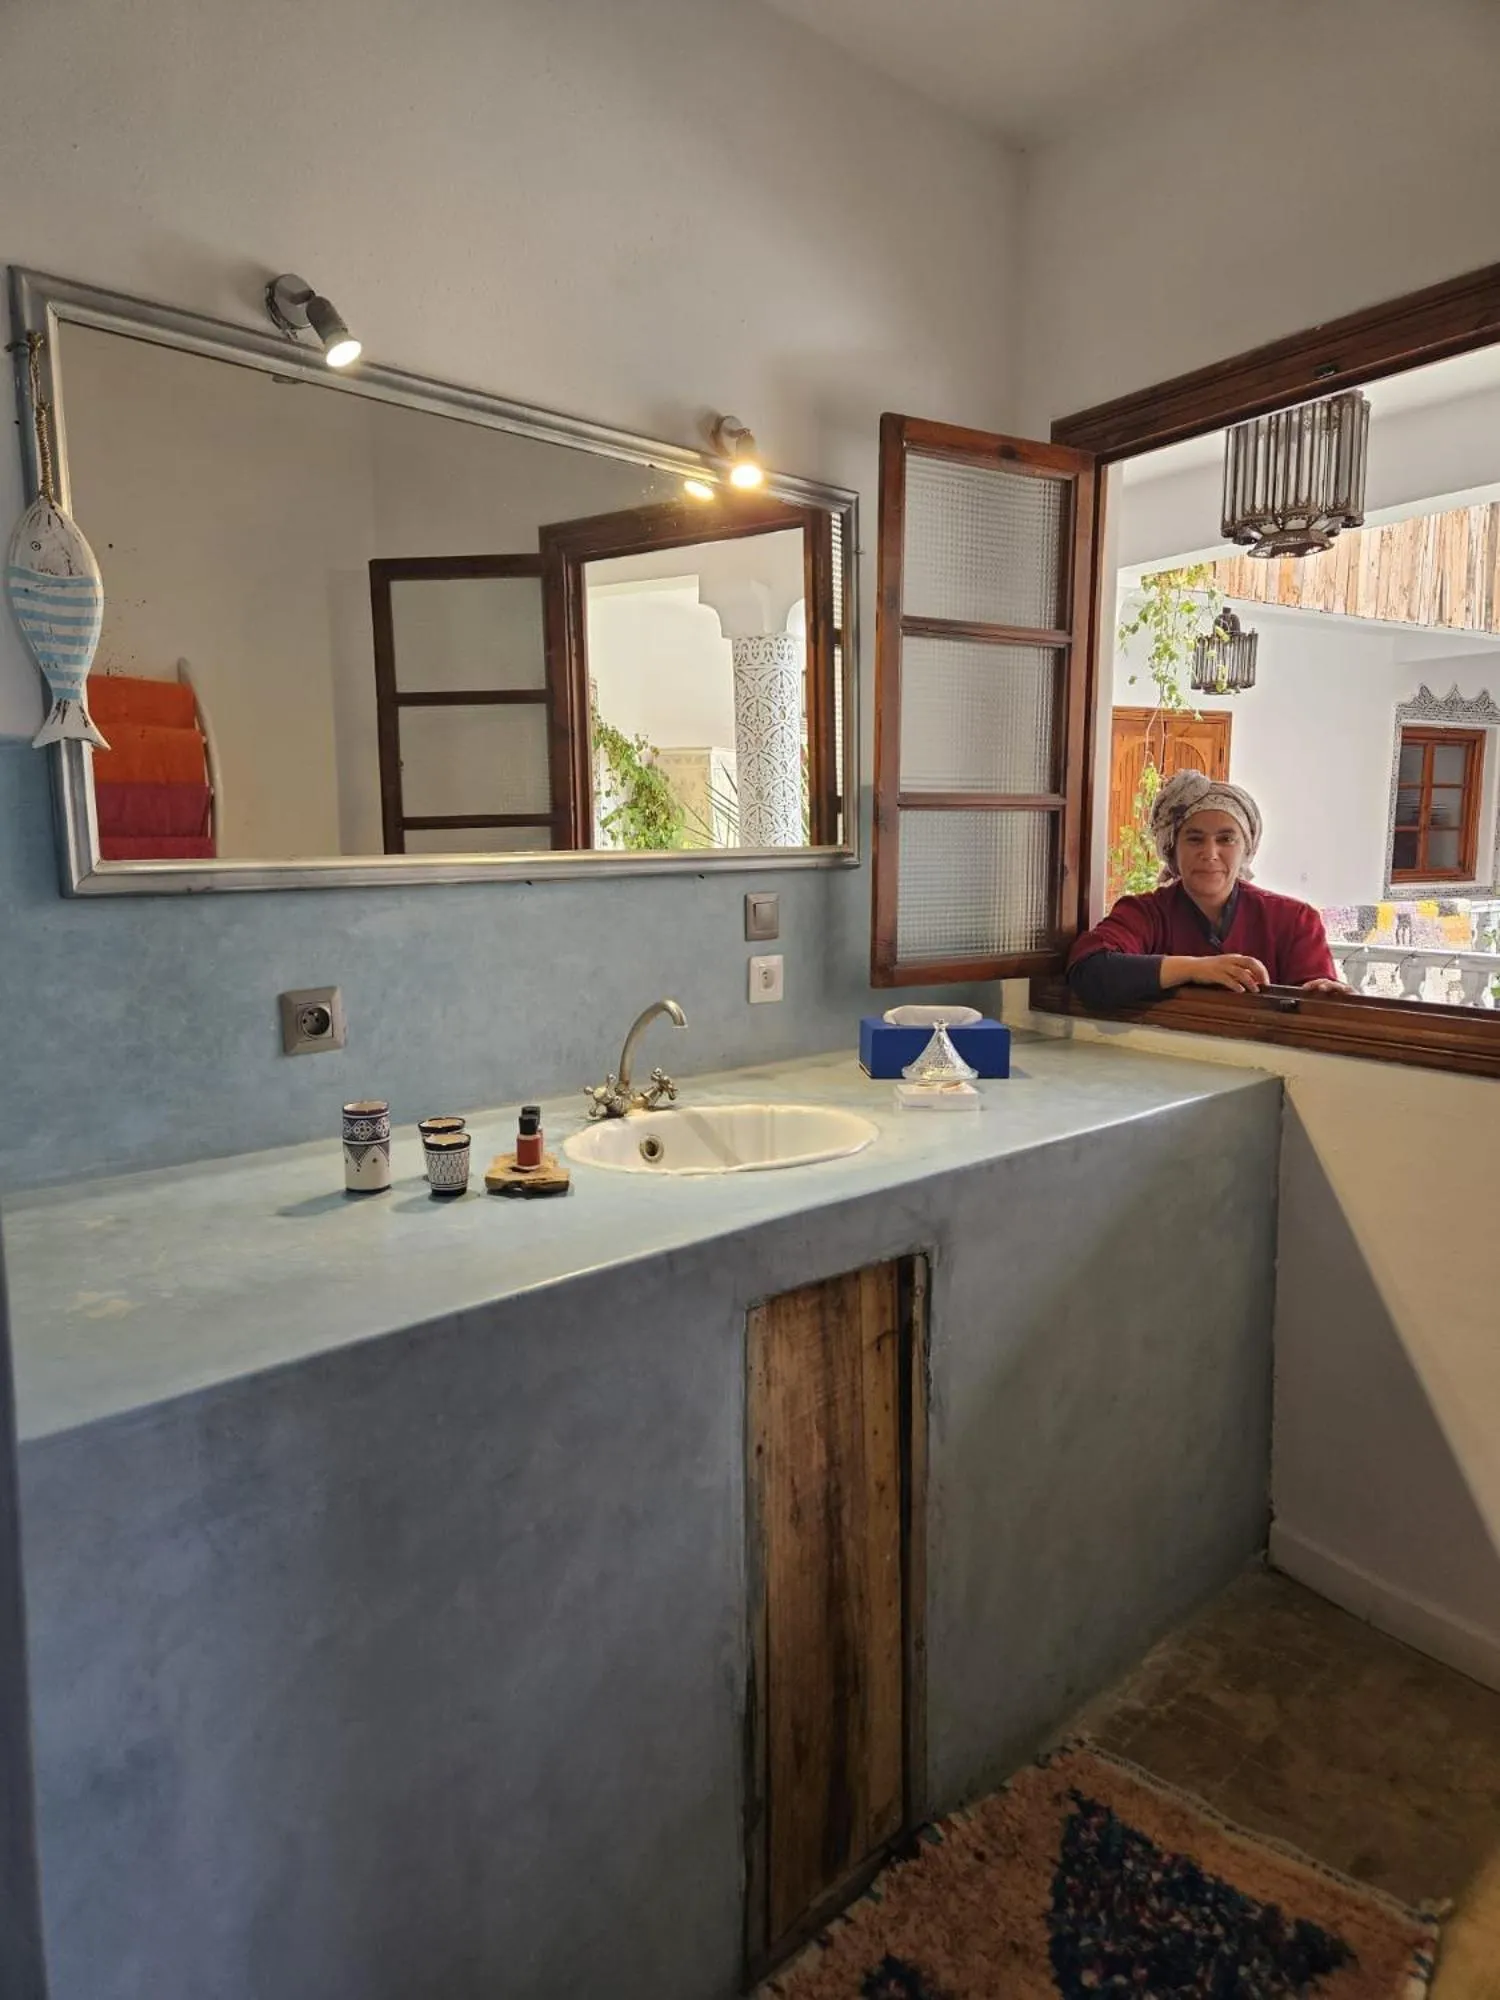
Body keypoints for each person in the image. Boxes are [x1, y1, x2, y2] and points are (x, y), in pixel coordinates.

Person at [1067, 770, 1343, 1005]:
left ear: (1247, 848)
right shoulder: (1146, 914)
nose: (1210, 853)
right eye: (1195, 839)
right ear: (1172, 848)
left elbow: (1316, 1006)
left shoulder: (1295, 921)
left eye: (1226, 839)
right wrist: (1194, 968)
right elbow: (1089, 970)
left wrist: (1331, 996)